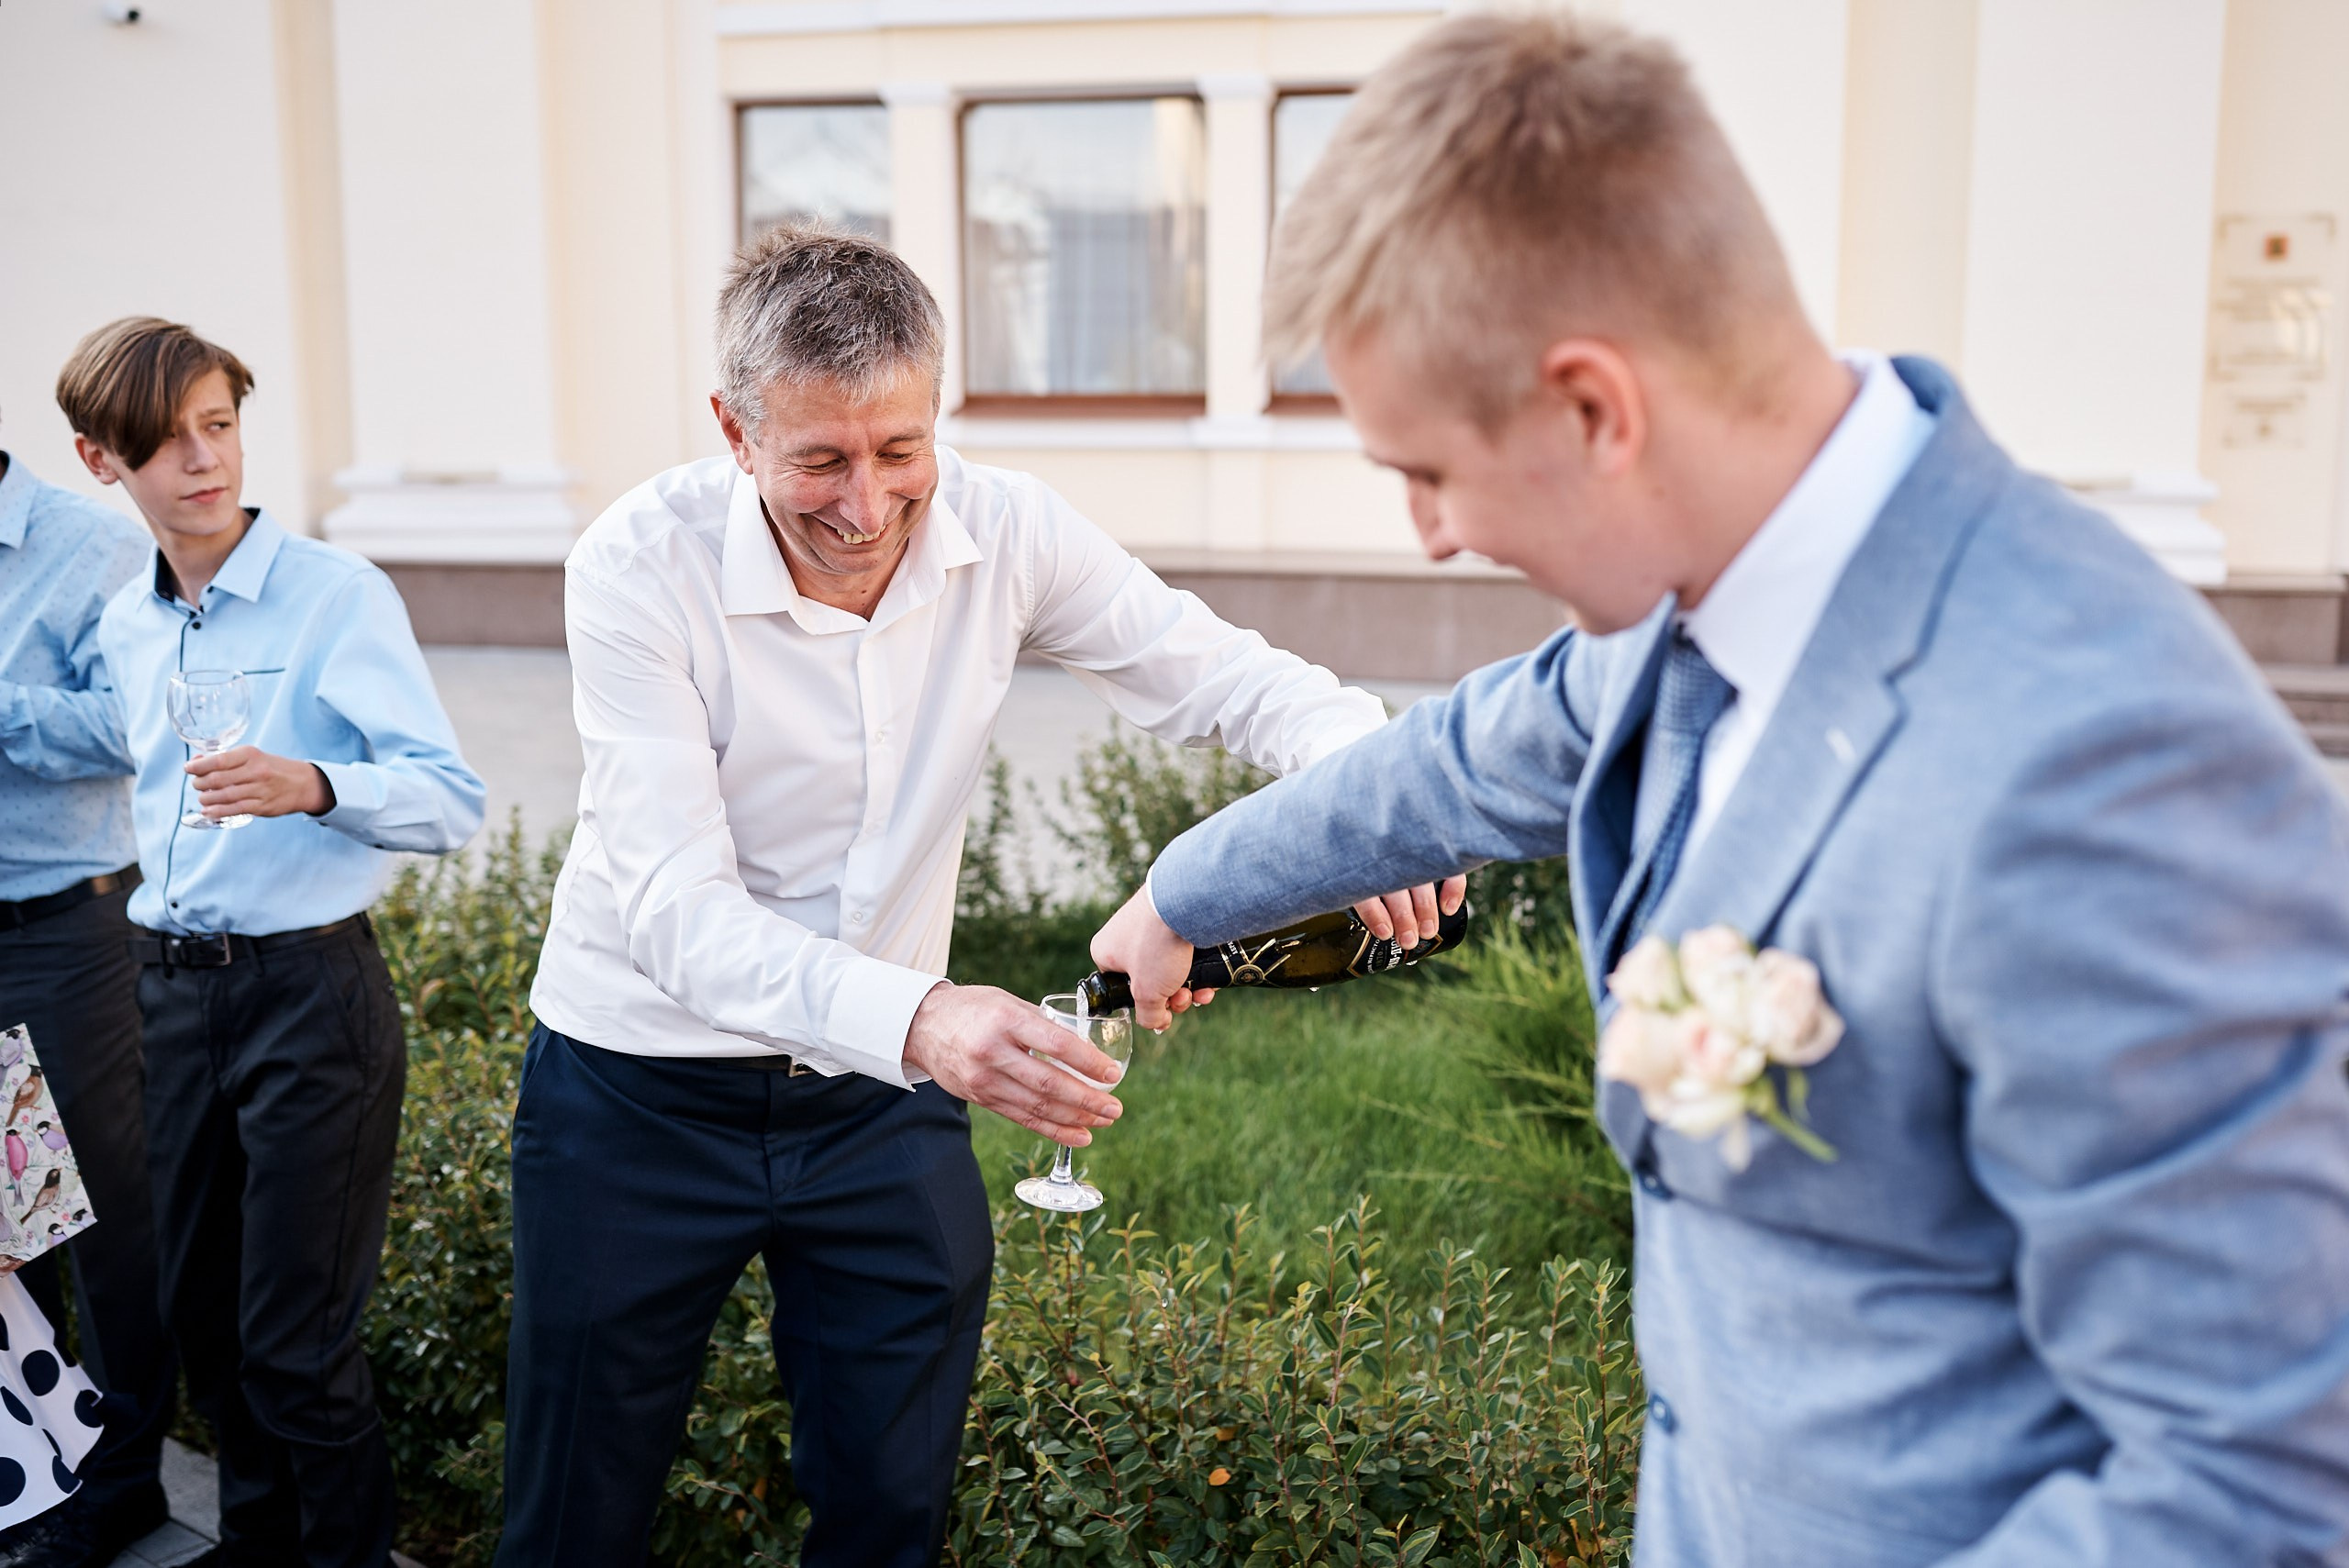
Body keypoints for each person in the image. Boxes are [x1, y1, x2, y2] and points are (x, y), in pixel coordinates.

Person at [1090, 14, 2349, 1567]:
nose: (1425, 533)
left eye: (1425, 469)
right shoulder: (1685, 608)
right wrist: (1177, 896)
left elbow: (2259, 1481)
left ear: (1595, 409)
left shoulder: (2100, 768)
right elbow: (1442, 766)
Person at [502, 224, 1456, 1567]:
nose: (866, 501)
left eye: (901, 450)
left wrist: (1383, 799)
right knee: (572, 1513)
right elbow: (678, 915)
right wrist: (933, 1018)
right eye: (818, 458)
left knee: (895, 1506)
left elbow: (1227, 679)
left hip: (878, 1109)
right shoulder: (632, 566)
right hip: (638, 1090)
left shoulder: (1010, 530)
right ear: (732, 426)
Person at [61, 317, 485, 1567]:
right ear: (102, 461)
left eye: (220, 424)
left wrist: (312, 782)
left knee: (297, 1347)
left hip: (311, 998)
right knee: (208, 1333)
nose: (204, 460)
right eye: (167, 439)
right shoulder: (128, 623)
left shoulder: (337, 595)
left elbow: (451, 799)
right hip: (168, 998)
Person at [0, 439, 176, 1564]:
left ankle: (121, 1482)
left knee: (97, 1216)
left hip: (62, 930)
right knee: (8, 1235)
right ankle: (31, 1471)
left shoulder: (93, 544)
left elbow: (140, 725)